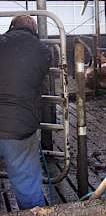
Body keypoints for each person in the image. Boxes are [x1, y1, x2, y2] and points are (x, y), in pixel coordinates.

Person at [0, 15, 52, 210]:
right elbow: (40, 80)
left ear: (11, 26)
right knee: (26, 179)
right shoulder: (42, 50)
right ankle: (31, 211)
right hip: (19, 127)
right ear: (34, 30)